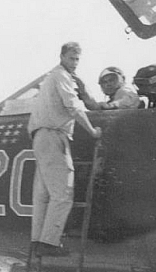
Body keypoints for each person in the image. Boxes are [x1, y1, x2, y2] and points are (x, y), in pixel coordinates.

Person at [28, 41, 102, 257]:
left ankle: (37, 242)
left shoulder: (51, 77)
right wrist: (92, 131)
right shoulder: (61, 76)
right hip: (53, 136)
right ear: (62, 57)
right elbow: (73, 106)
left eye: (77, 59)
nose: (75, 63)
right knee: (63, 194)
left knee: (43, 196)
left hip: (40, 137)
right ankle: (50, 243)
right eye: (71, 58)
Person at [75, 66, 141, 110]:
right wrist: (84, 95)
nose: (108, 84)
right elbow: (96, 107)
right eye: (104, 82)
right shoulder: (113, 100)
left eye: (112, 80)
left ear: (123, 79)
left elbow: (129, 100)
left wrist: (112, 105)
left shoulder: (124, 91)